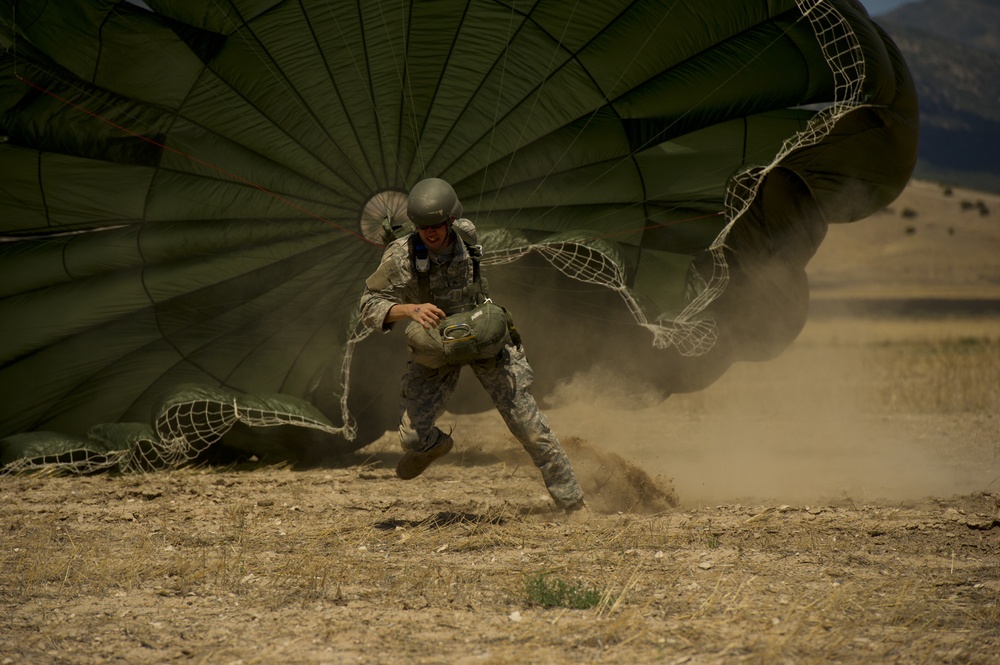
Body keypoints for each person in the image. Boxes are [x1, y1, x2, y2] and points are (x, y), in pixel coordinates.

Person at [359, 178, 586, 516]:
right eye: (423, 227)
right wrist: (411, 310)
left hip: (483, 338)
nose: (431, 233)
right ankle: (436, 446)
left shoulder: (467, 235)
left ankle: (573, 503)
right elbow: (368, 304)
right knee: (410, 440)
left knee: (530, 428)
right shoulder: (403, 255)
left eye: (437, 225)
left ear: (451, 221)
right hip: (436, 342)